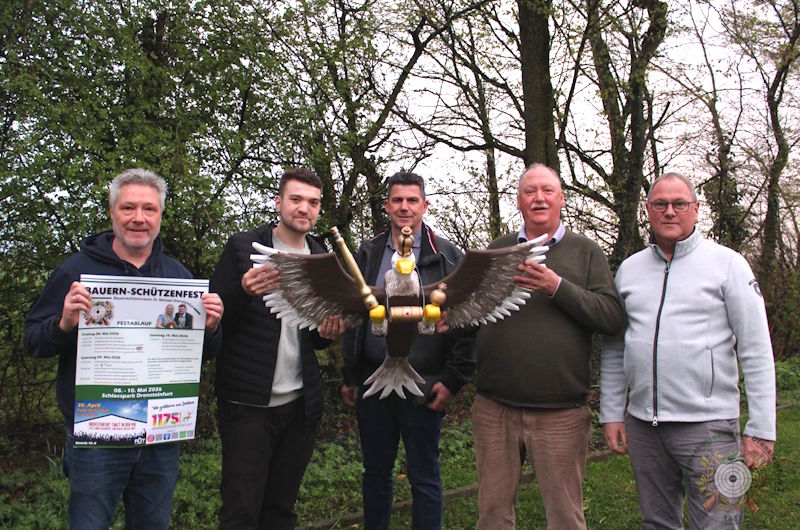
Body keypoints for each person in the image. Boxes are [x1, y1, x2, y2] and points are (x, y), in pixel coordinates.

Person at [24, 168, 224, 530]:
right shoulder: (76, 271)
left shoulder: (179, 277)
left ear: (160, 216)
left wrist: (210, 327)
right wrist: (64, 324)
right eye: (128, 208)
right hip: (96, 439)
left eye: (149, 209)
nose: (138, 218)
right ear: (112, 212)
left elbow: (206, 353)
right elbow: (33, 342)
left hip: (161, 439)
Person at [600, 172, 776, 529]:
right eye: (660, 204)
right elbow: (616, 346)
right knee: (657, 522)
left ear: (696, 210)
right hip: (645, 427)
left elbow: (756, 350)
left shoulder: (728, 265)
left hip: (710, 427)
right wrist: (612, 412)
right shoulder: (630, 270)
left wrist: (760, 428)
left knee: (720, 522)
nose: (669, 211)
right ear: (647, 210)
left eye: (679, 203)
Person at [471, 163, 625, 530]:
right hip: (495, 409)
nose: (538, 198)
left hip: (560, 412)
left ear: (562, 200)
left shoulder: (586, 253)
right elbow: (476, 310)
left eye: (547, 191)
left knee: (565, 517)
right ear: (519, 202)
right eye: (530, 191)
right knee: (492, 515)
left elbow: (611, 317)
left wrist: (558, 287)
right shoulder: (499, 250)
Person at [340, 171, 476, 530]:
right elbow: (355, 316)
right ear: (386, 206)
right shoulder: (366, 254)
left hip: (424, 382)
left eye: (412, 200)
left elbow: (467, 325)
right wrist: (351, 373)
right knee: (376, 473)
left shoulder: (447, 255)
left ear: (424, 205)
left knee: (424, 475)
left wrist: (453, 379)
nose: (404, 207)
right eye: (397, 200)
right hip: (373, 379)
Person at [211, 167, 344, 530]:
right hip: (248, 403)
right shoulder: (243, 248)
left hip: (299, 405)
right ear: (278, 202)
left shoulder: (322, 259)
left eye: (313, 202)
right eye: (296, 199)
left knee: (280, 511)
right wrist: (242, 291)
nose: (305, 208)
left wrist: (327, 333)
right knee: (240, 510)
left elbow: (311, 337)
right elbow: (212, 319)